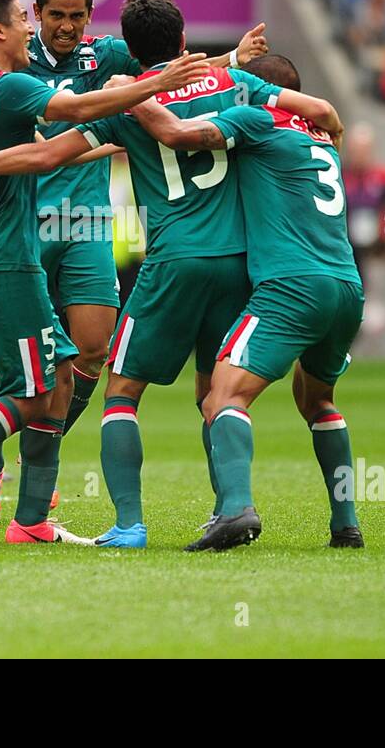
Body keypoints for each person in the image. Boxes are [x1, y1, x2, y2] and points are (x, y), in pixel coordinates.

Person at [0, 0, 349, 549]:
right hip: (242, 264)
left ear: (128, 51)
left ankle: (128, 524)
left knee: (119, 391)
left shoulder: (126, 104)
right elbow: (317, 110)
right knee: (216, 391)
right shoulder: (241, 88)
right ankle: (230, 508)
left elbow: (47, 154)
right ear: (185, 40)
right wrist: (325, 135)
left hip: (171, 262)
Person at [0, 0, 267, 523]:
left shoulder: (104, 57)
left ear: (89, 15)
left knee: (89, 351)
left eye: (77, 17)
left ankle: (32, 484)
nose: (65, 27)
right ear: (34, 12)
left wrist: (230, 61)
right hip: (22, 229)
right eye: (53, 16)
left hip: (86, 225)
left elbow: (172, 70)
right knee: (20, 360)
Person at [122, 54, 360, 552]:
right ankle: (346, 524)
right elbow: (329, 113)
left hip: (291, 286)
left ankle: (235, 512)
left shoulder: (255, 118)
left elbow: (180, 134)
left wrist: (131, 93)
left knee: (222, 396)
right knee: (318, 401)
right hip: (346, 286)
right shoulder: (320, 136)